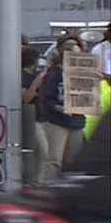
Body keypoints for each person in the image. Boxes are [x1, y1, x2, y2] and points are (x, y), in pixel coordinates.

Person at [37, 36, 87, 183]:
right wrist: (60, 108)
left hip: (77, 121)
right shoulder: (54, 73)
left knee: (73, 162)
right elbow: (46, 99)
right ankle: (47, 189)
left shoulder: (84, 73)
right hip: (57, 122)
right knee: (54, 160)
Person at [21, 47, 47, 186]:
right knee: (42, 149)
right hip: (31, 117)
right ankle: (35, 180)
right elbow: (25, 99)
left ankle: (39, 179)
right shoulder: (22, 76)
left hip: (43, 116)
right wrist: (37, 81)